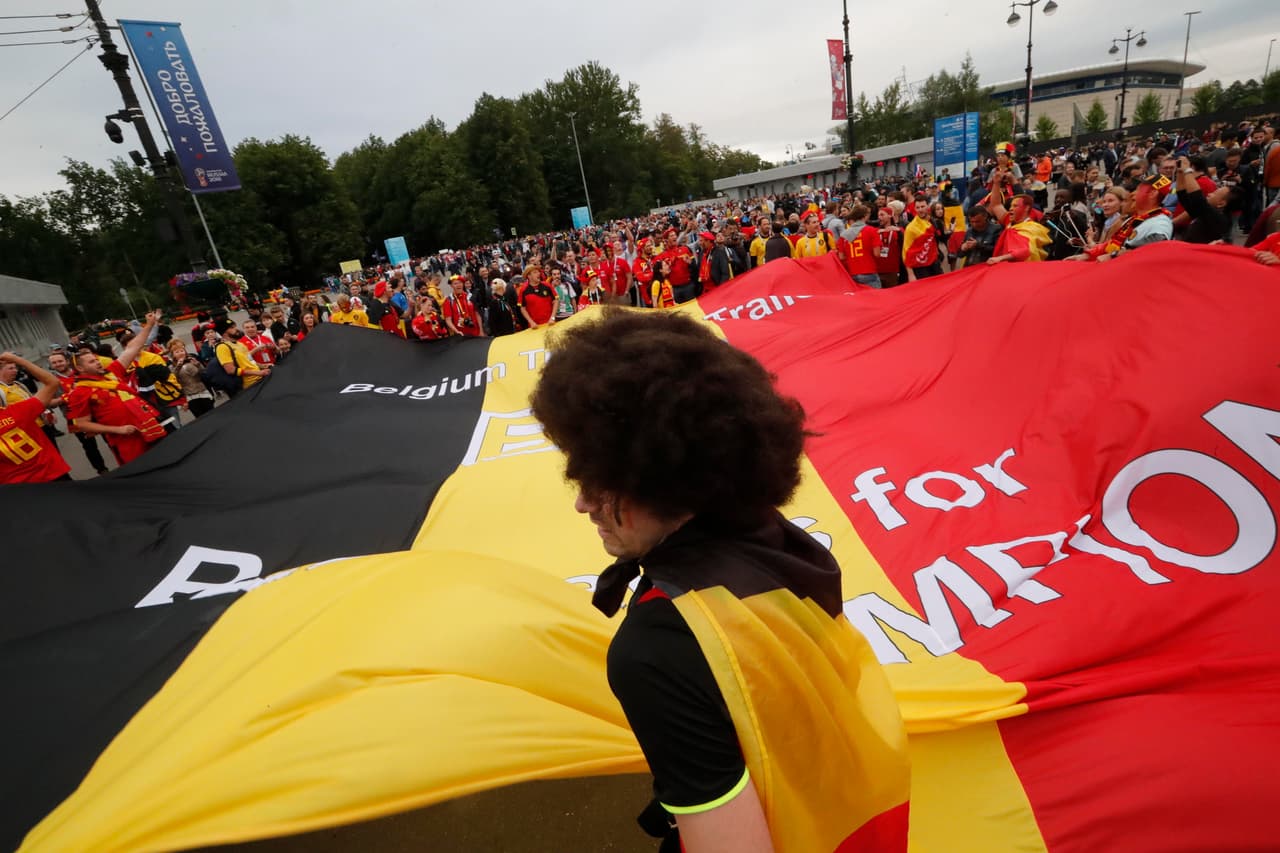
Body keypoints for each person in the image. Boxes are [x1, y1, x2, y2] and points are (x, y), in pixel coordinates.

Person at [529, 309, 908, 853]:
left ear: (657, 478)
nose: (583, 502)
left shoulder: (658, 647)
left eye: (600, 482)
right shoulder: (785, 543)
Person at [66, 311, 169, 466]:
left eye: (96, 359)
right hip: (126, 439)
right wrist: (118, 430)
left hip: (149, 428)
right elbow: (81, 423)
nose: (98, 362)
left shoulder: (112, 372)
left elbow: (132, 348)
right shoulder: (79, 392)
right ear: (80, 369)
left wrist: (149, 325)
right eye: (92, 362)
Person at [0, 352, 70, 484]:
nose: (15, 370)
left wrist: (46, 412)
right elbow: (52, 383)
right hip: (26, 436)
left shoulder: (18, 385)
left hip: (17, 486)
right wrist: (19, 360)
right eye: (10, 368)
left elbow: (31, 399)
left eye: (15, 367)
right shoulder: (13, 409)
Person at [48, 349, 109, 474]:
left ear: (67, 361)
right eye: (54, 363)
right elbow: (49, 403)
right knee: (90, 447)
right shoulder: (51, 382)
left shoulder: (81, 372)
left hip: (97, 412)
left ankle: (124, 462)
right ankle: (102, 471)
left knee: (110, 437)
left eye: (60, 361)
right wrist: (65, 398)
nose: (58, 364)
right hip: (74, 419)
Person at [985, 194, 1051, 264]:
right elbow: (996, 205)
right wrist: (996, 183)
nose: (1010, 208)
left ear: (1027, 208)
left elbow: (1025, 251)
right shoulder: (1011, 223)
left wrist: (1001, 258)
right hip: (1006, 267)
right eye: (1011, 206)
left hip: (1023, 270)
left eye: (1015, 206)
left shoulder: (1031, 228)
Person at [836, 204, 883, 286]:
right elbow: (877, 254)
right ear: (865, 216)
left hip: (852, 273)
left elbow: (841, 256)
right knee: (875, 298)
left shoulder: (843, 235)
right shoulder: (871, 230)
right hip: (869, 271)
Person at [166, 339, 214, 418]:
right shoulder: (171, 366)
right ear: (173, 354)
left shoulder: (192, 359)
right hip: (189, 395)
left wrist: (198, 364)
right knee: (200, 417)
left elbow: (203, 373)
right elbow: (173, 379)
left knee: (212, 414)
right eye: (177, 352)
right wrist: (178, 366)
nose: (180, 353)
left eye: (182, 350)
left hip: (202, 391)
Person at [902, 199, 942, 280]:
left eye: (922, 206)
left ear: (927, 207)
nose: (920, 209)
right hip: (920, 267)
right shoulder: (911, 228)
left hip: (935, 263)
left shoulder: (933, 221)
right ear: (915, 209)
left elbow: (940, 238)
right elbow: (906, 252)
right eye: (918, 207)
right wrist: (911, 274)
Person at [874, 206, 903, 288]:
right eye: (878, 216)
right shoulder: (875, 231)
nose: (879, 218)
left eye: (882, 215)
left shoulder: (898, 230)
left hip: (893, 270)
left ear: (890, 215)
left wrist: (899, 231)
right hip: (877, 271)